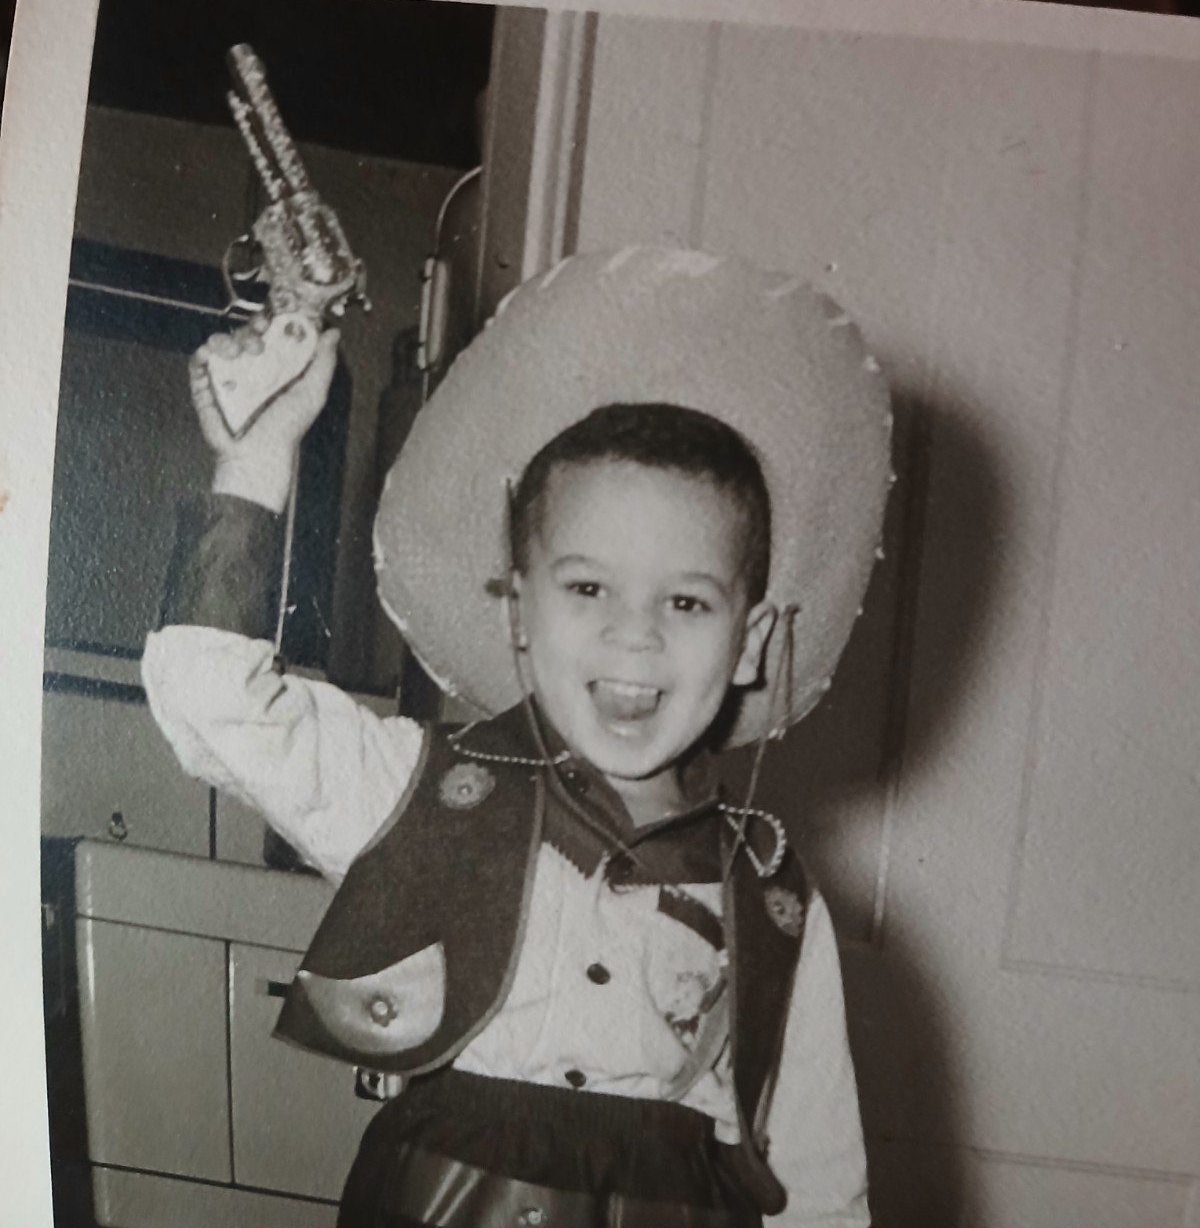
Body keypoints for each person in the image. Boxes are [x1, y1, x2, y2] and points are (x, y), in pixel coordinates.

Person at [143, 246, 893, 1228]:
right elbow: (206, 699)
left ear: (749, 642)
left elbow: (824, 1187)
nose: (637, 634)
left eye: (686, 599)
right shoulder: (415, 793)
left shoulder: (776, 897)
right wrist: (257, 455)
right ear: (519, 611)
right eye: (588, 587)